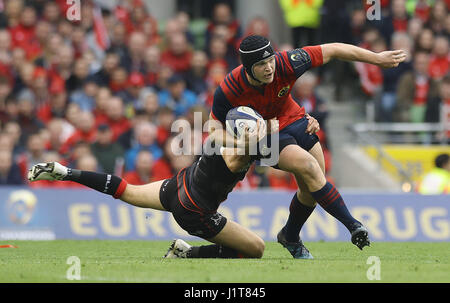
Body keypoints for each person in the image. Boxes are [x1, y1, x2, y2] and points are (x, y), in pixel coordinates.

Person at [208, 34, 407, 258]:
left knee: (312, 188)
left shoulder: (287, 62)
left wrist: (377, 59)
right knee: (309, 167)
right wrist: (242, 142)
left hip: (294, 120)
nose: (269, 67)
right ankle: (353, 225)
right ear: (247, 68)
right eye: (261, 64)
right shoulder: (230, 88)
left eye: (270, 60)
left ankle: (290, 235)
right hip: (265, 135)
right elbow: (213, 130)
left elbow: (334, 48)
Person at [27, 117, 308, 259]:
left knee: (127, 191)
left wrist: (292, 123)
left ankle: (66, 172)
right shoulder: (240, 152)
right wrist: (282, 128)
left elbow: (260, 141)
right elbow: (262, 148)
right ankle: (187, 253)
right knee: (255, 249)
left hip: (177, 186)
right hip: (194, 211)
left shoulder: (223, 140)